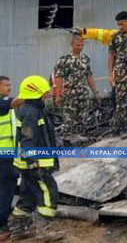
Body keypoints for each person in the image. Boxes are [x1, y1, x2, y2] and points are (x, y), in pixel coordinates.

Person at [9, 76, 62, 241]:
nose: (47, 94)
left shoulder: (28, 108)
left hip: (29, 163)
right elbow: (28, 138)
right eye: (44, 92)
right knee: (49, 193)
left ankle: (18, 230)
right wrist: (32, 161)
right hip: (37, 163)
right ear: (36, 92)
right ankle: (42, 231)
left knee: (28, 196)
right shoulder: (32, 112)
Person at [52, 33, 99, 142]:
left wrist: (95, 92)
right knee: (69, 118)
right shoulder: (64, 60)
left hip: (83, 92)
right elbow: (59, 78)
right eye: (78, 45)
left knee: (83, 116)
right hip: (70, 94)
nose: (80, 47)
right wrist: (58, 96)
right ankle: (66, 139)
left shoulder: (85, 59)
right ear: (72, 45)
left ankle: (80, 137)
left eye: (82, 45)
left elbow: (89, 76)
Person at [0, 77, 18, 242]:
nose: (9, 88)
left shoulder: (7, 102)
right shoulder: (3, 104)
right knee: (6, 189)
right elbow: (12, 103)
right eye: (6, 85)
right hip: (3, 156)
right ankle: (2, 225)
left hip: (9, 154)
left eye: (10, 85)